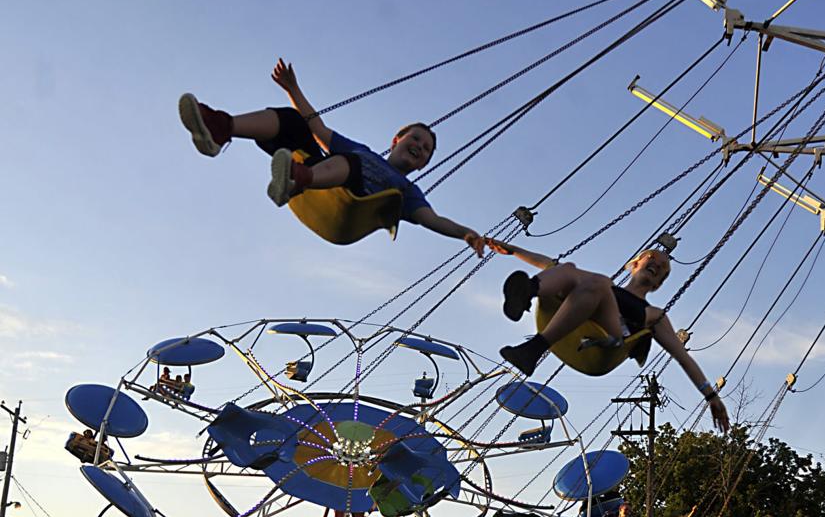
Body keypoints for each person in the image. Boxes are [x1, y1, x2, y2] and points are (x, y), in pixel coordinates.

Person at [178, 60, 484, 254]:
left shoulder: (407, 192)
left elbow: (434, 220)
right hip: (316, 179)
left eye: (426, 149)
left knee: (355, 164)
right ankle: (220, 128)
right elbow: (317, 127)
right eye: (415, 138)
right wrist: (293, 89)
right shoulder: (361, 150)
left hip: (348, 214)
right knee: (294, 122)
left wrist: (465, 234)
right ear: (396, 141)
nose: (420, 145)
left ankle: (297, 179)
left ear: (424, 164)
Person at [489, 239, 729, 432]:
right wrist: (512, 250)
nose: (657, 264)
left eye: (663, 268)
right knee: (569, 270)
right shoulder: (597, 287)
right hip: (573, 327)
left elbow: (683, 357)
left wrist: (710, 396)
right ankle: (527, 297)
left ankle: (535, 346)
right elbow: (548, 264)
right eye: (652, 258)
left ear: (658, 284)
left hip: (607, 346)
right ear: (634, 264)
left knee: (599, 282)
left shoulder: (654, 314)